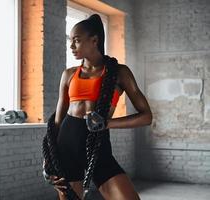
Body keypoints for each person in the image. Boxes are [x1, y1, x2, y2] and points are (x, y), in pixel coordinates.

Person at [45, 14, 152, 200]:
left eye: (76, 41)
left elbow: (146, 116)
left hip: (98, 143)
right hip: (66, 143)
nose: (71, 46)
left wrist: (107, 123)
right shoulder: (69, 74)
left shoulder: (119, 73)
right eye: (71, 41)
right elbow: (57, 122)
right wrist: (47, 160)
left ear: (94, 40)